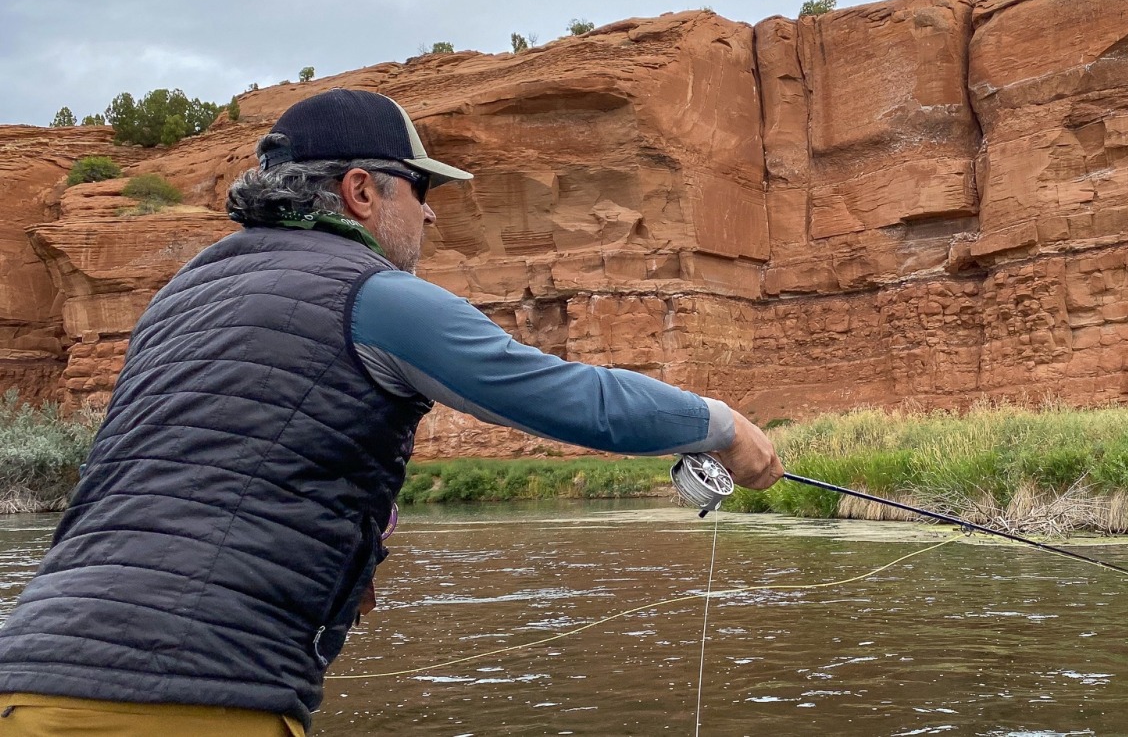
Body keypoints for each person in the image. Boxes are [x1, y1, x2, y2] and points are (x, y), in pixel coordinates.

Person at [0, 88, 782, 736]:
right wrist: (725, 427)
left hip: (30, 681)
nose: (434, 216)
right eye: (424, 189)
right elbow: (571, 398)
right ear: (362, 190)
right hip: (192, 696)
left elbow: (200, 471)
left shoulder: (181, 299)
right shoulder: (373, 296)